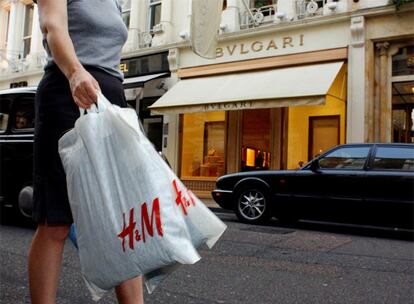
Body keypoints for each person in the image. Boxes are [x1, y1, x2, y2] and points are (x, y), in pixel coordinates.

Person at [28, 1, 144, 303]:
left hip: (111, 96)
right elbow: (52, 26)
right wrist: (75, 72)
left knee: (123, 218)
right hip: (67, 91)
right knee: (56, 219)